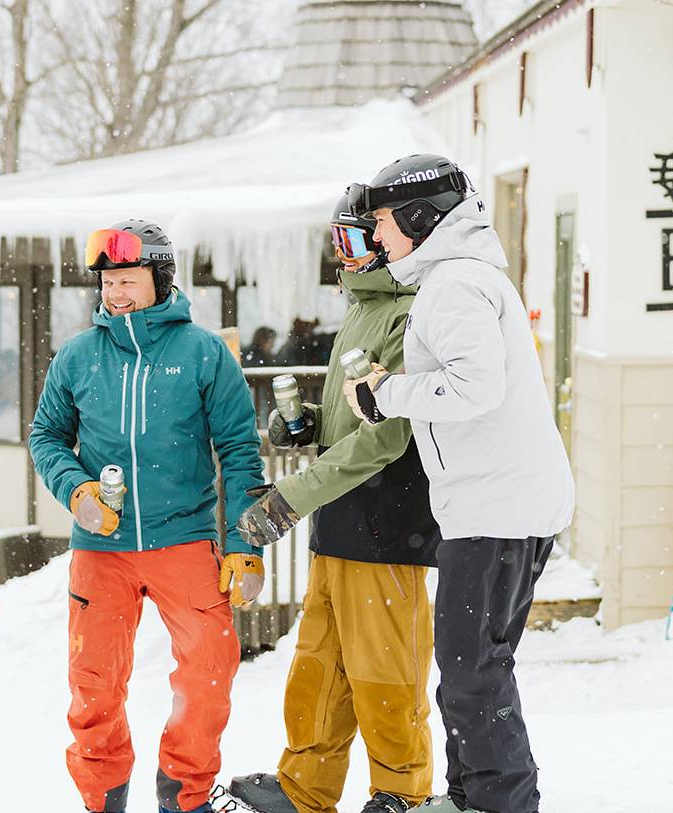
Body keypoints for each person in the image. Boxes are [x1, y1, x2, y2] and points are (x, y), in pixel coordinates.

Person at [342, 155, 575, 813]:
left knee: (474, 672)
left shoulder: (454, 286)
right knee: (470, 668)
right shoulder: (457, 280)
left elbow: (475, 387)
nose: (377, 237)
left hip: (496, 509)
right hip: (495, 504)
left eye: (383, 222)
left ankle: (499, 802)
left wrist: (389, 394)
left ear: (421, 218)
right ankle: (470, 794)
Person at [28, 219, 265, 813]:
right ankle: (102, 798)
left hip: (182, 539)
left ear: (160, 279)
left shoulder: (203, 353)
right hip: (99, 548)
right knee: (94, 687)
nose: (117, 293)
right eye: (108, 281)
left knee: (209, 671)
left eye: (129, 279)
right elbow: (47, 436)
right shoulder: (79, 356)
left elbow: (239, 452)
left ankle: (184, 795)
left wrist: (244, 543)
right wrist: (76, 489)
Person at [229, 195, 441, 813]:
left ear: (385, 241)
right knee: (319, 667)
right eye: (337, 244)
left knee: (386, 671)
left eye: (351, 243)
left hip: (387, 523)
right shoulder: (365, 309)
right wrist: (309, 425)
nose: (341, 258)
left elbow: (387, 434)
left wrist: (290, 497)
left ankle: (401, 790)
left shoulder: (409, 314)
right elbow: (354, 419)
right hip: (339, 521)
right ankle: (305, 788)